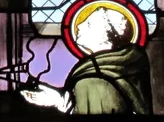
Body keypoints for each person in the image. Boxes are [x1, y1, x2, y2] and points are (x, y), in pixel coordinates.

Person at [20, 6, 152, 115]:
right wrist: (59, 101)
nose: (79, 26)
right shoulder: (125, 66)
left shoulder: (93, 82)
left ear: (105, 36)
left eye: (88, 24)